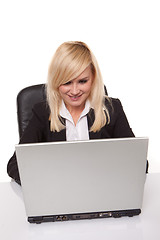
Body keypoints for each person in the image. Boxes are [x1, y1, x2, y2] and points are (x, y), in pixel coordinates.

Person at [7, 41, 138, 185]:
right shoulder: (42, 113)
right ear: (56, 81)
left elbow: (137, 161)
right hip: (57, 192)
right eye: (67, 82)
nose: (75, 91)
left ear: (93, 78)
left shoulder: (112, 109)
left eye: (82, 81)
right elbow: (14, 165)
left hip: (102, 189)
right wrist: (47, 182)